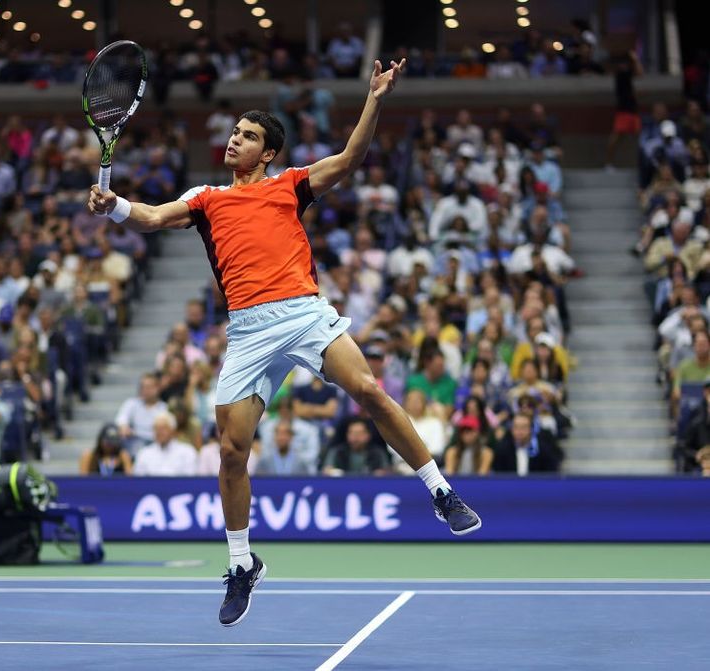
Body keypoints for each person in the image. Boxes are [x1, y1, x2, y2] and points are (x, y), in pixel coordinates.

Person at [87, 58, 480, 628]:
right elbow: (149, 217)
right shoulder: (205, 199)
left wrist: (375, 98)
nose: (234, 140)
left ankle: (441, 491)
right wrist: (116, 206)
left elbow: (349, 160)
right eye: (234, 132)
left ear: (267, 152)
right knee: (231, 452)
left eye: (247, 136)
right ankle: (243, 564)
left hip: (302, 313)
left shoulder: (289, 185)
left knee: (368, 390)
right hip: (247, 329)